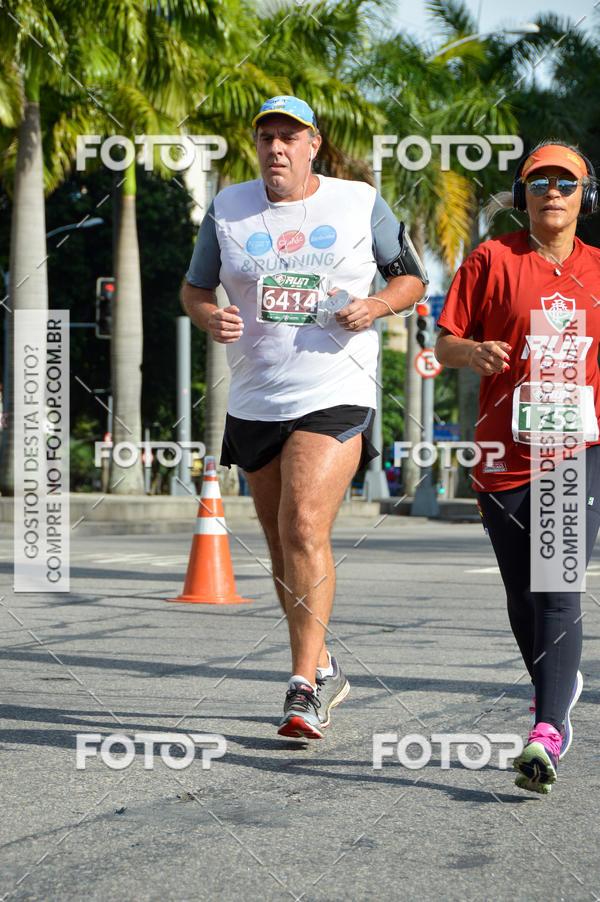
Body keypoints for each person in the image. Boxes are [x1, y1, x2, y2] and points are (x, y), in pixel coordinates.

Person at [181, 95, 427, 739]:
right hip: (255, 399)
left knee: (302, 524)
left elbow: (411, 279)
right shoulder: (228, 207)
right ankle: (321, 661)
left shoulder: (357, 201)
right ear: (256, 145)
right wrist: (209, 316)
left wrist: (375, 307)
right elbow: (194, 286)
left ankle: (301, 688)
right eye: (266, 137)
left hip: (335, 389)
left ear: (313, 143)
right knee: (281, 547)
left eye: (289, 137)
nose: (277, 149)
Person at [436, 141, 600, 793]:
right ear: (523, 194)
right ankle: (555, 695)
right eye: (539, 181)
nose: (553, 191)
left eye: (567, 181)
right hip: (502, 456)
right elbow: (444, 342)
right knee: (524, 596)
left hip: (576, 452)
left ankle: (547, 729)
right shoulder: (492, 259)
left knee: (559, 584)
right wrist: (472, 352)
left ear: (587, 194)